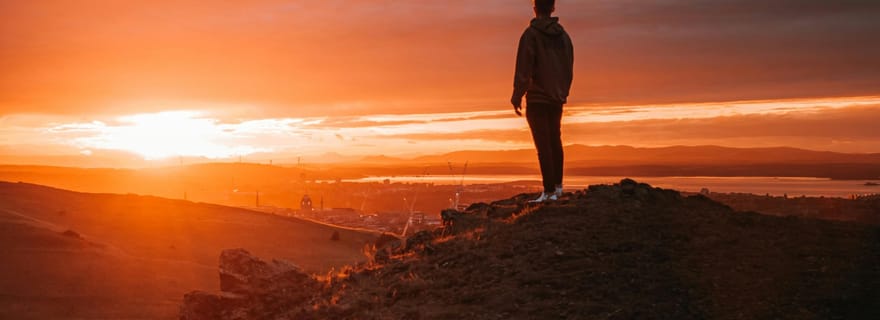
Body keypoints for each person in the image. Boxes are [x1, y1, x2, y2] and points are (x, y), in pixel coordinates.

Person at [511, 0, 574, 202]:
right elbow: (568, 67)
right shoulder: (564, 37)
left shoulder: (531, 35)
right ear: (553, 8)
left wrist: (517, 94)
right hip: (557, 97)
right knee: (555, 139)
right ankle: (557, 188)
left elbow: (524, 67)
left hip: (538, 97)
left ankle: (548, 192)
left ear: (535, 8)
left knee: (543, 144)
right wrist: (562, 91)